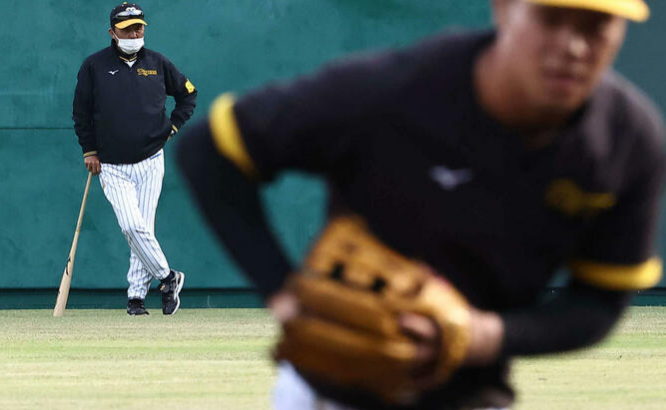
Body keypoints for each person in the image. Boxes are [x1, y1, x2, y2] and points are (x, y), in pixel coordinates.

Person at [177, 0, 664, 408]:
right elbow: (210, 150)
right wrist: (282, 292)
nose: (573, 46)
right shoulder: (393, 91)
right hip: (336, 392)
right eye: (551, 19)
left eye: (596, 25)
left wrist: (483, 336)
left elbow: (600, 301)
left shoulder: (628, 142)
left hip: (472, 395)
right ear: (504, 9)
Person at [73, 2, 197, 316]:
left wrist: (172, 127)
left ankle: (136, 298)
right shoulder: (94, 65)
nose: (135, 33)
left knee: (143, 228)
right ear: (112, 32)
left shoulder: (157, 62)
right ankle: (169, 277)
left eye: (139, 27)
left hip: (150, 159)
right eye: (128, 29)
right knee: (131, 225)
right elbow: (81, 112)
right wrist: (89, 150)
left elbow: (188, 94)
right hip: (111, 164)